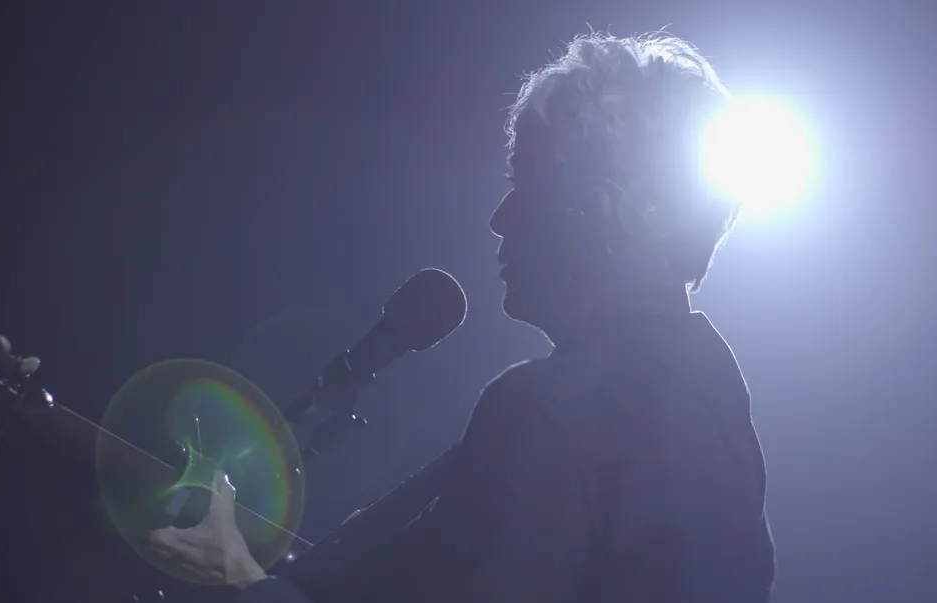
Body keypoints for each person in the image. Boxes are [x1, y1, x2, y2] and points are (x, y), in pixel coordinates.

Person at [149, 31, 776, 602]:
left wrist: (239, 576)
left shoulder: (549, 408)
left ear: (599, 210)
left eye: (528, 183)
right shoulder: (714, 402)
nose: (500, 218)